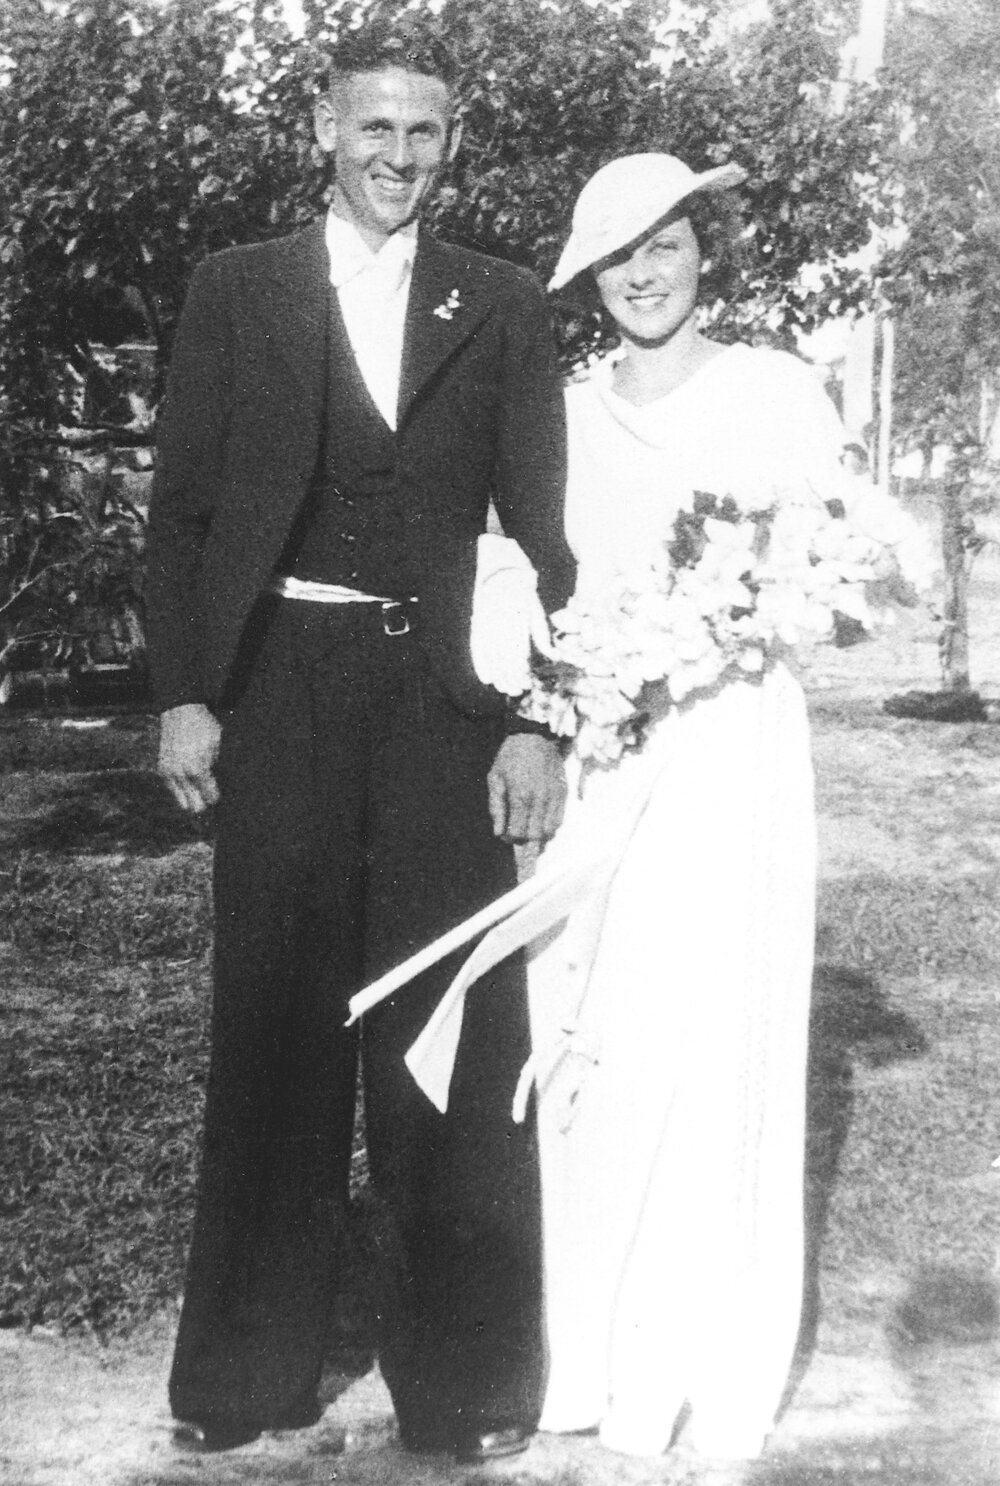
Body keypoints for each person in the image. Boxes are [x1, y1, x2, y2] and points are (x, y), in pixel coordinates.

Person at [144, 14, 574, 1461]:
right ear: (324, 132)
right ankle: (242, 1376)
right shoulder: (236, 291)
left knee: (446, 1027)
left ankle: (468, 1388)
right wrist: (187, 689)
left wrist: (533, 714)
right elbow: (187, 512)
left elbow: (542, 537)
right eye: (374, 128)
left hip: (447, 706)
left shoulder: (501, 303)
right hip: (279, 694)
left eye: (425, 133)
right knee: (273, 1023)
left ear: (452, 147)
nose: (399, 156)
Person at [522, 152, 847, 1466]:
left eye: (664, 244)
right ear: (592, 279)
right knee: (596, 1025)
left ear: (704, 248)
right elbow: (547, 590)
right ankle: (593, 1358)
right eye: (617, 256)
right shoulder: (563, 410)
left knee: (720, 1028)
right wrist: (579, 689)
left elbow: (830, 584)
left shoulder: (774, 389)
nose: (644, 274)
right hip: (609, 746)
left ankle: (710, 1358)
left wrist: (724, 614)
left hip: (736, 749)